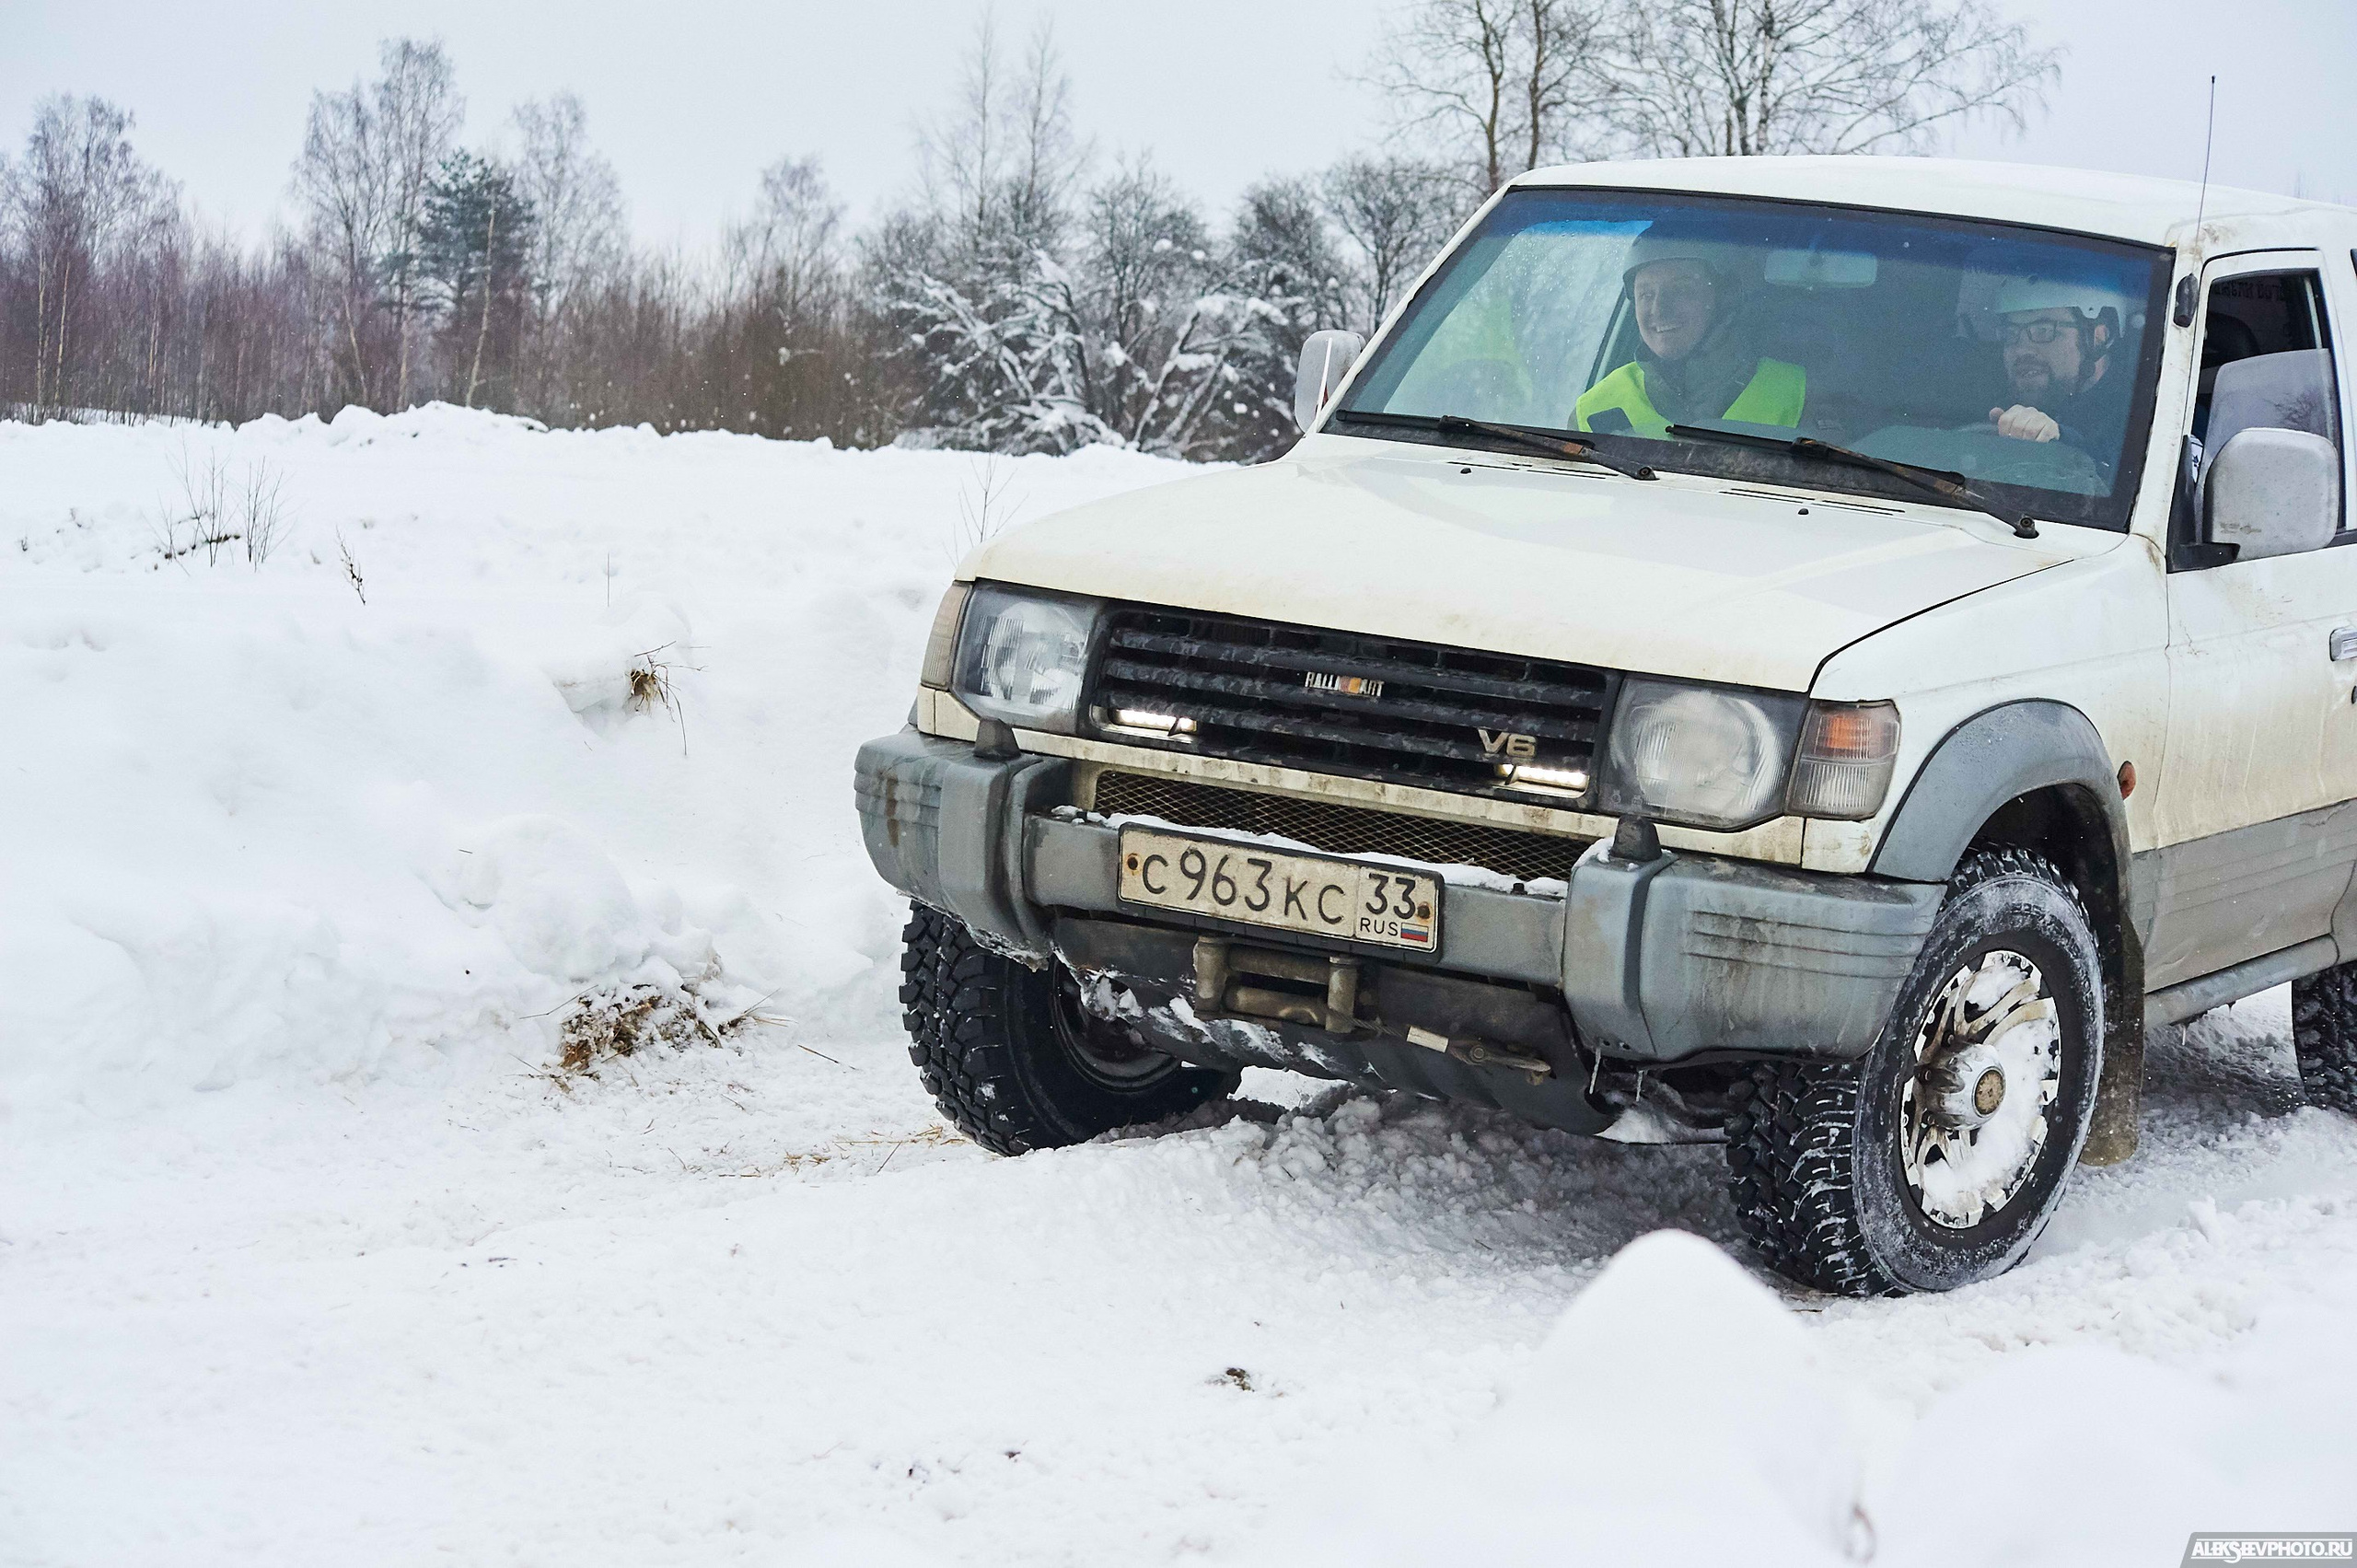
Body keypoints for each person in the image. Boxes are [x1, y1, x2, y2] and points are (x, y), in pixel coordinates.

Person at [1575, 224, 1805, 438]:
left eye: (1681, 290)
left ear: (1724, 299)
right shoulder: (1592, 409)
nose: (1659, 310)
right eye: (1646, 295)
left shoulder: (1800, 393)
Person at [1983, 273, 2135, 458]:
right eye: (2010, 333)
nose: (2021, 350)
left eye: (2044, 330)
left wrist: (2060, 439)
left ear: (2097, 338)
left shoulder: (2141, 415)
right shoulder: (1988, 401)